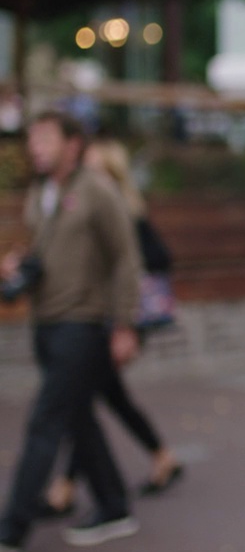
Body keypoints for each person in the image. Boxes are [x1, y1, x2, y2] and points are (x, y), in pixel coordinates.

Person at [0, 112, 144, 552]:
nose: (35, 147)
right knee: (77, 418)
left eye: (45, 138)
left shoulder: (97, 191)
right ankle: (115, 505)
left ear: (73, 145)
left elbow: (125, 257)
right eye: (32, 140)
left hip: (81, 326)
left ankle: (11, 531)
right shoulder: (44, 194)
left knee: (46, 422)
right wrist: (17, 267)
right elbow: (46, 256)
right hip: (47, 321)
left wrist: (124, 324)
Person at [40, 138, 184, 520]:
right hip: (99, 324)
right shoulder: (91, 209)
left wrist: (127, 319)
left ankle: (67, 489)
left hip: (120, 324)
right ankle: (161, 456)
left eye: (97, 168)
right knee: (102, 399)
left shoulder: (125, 214)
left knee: (82, 400)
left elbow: (157, 258)